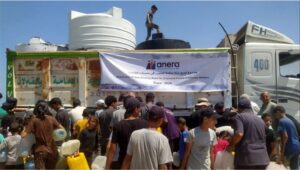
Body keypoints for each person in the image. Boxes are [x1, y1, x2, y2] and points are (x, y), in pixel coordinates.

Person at [105, 97, 147, 169]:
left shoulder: (118, 125)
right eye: (139, 108)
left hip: (123, 162)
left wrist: (107, 167)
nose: (140, 110)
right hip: (141, 163)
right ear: (136, 109)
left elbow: (112, 149)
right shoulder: (145, 124)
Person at [227, 98, 269, 169]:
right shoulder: (260, 120)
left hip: (246, 159)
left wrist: (230, 145)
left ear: (239, 108)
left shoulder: (239, 117)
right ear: (250, 107)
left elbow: (239, 134)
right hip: (262, 159)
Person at [22, 101, 64, 169]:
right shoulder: (52, 119)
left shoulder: (34, 120)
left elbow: (23, 135)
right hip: (53, 151)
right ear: (47, 109)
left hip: (40, 151)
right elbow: (62, 130)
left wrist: (26, 126)